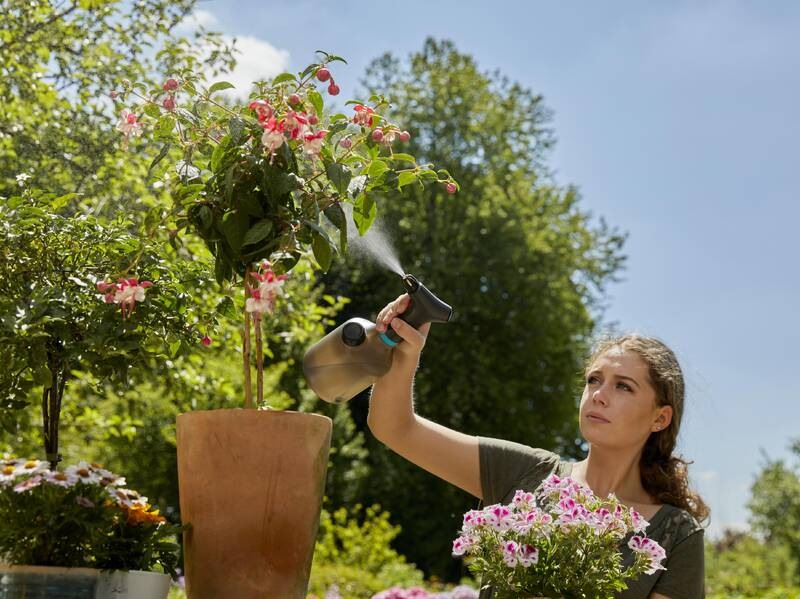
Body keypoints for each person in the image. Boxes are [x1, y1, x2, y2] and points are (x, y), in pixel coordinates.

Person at [367, 294, 708, 599]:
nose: (599, 396)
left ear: (660, 418)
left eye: (624, 387)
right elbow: (395, 428)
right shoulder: (526, 473)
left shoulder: (675, 535)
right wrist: (403, 356)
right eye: (594, 380)